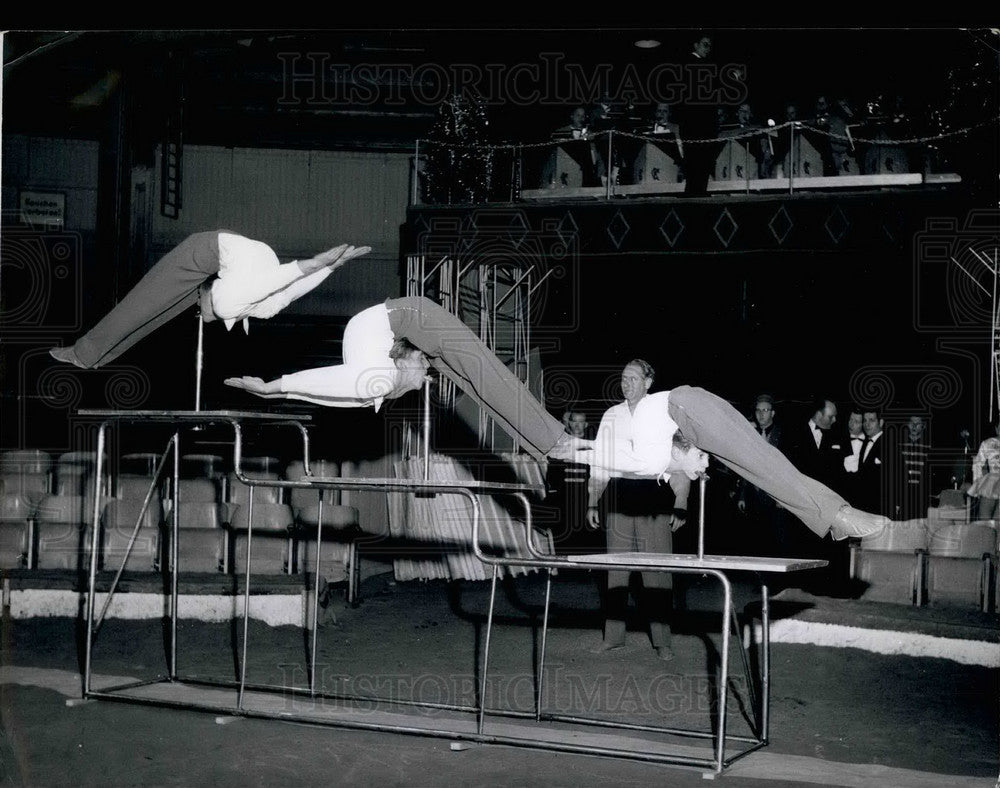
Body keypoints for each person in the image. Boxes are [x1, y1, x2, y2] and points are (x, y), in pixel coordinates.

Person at [225, 296, 589, 463]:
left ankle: (553, 440)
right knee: (476, 386)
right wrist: (283, 393)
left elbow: (329, 383)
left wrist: (276, 387)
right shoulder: (373, 387)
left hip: (412, 316)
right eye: (426, 372)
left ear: (405, 359)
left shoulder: (379, 381)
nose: (428, 377)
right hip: (397, 324)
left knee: (485, 372)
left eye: (423, 372)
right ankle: (545, 444)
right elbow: (334, 395)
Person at [583, 386, 889, 543]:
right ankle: (836, 517)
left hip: (686, 407)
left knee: (764, 466)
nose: (703, 470)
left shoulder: (638, 447)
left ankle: (837, 515)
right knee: (766, 464)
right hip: (692, 407)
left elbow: (603, 460)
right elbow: (677, 461)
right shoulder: (642, 443)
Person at [48, 231, 370, 369]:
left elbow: (292, 288)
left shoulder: (260, 308)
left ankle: (96, 356)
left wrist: (329, 267)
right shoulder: (230, 303)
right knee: (142, 304)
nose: (197, 312)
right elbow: (287, 279)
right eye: (200, 310)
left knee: (154, 311)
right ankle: (85, 353)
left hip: (247, 252)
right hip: (211, 249)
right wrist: (318, 264)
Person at [586, 360, 688, 660]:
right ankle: (613, 637)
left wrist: (681, 502)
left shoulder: (664, 415)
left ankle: (663, 641)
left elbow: (679, 461)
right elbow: (600, 460)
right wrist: (593, 500)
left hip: (653, 495)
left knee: (656, 572)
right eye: (623, 378)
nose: (626, 383)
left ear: (648, 382)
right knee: (616, 571)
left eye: (633, 378)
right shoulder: (612, 415)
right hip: (619, 495)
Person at [678, 33, 721, 196]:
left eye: (710, 45)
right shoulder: (693, 63)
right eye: (705, 44)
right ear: (695, 45)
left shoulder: (700, 64)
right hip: (696, 124)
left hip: (700, 123)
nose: (708, 49)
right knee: (697, 162)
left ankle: (697, 193)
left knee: (701, 163)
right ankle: (695, 195)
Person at [898, 415, 931, 520]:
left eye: (918, 424)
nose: (914, 426)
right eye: (911, 422)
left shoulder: (929, 446)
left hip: (921, 494)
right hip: (902, 493)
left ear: (923, 426)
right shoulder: (899, 444)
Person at [968, 420, 1000, 520]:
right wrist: (977, 483)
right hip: (991, 483)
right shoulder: (988, 443)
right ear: (996, 429)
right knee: (984, 518)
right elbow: (977, 463)